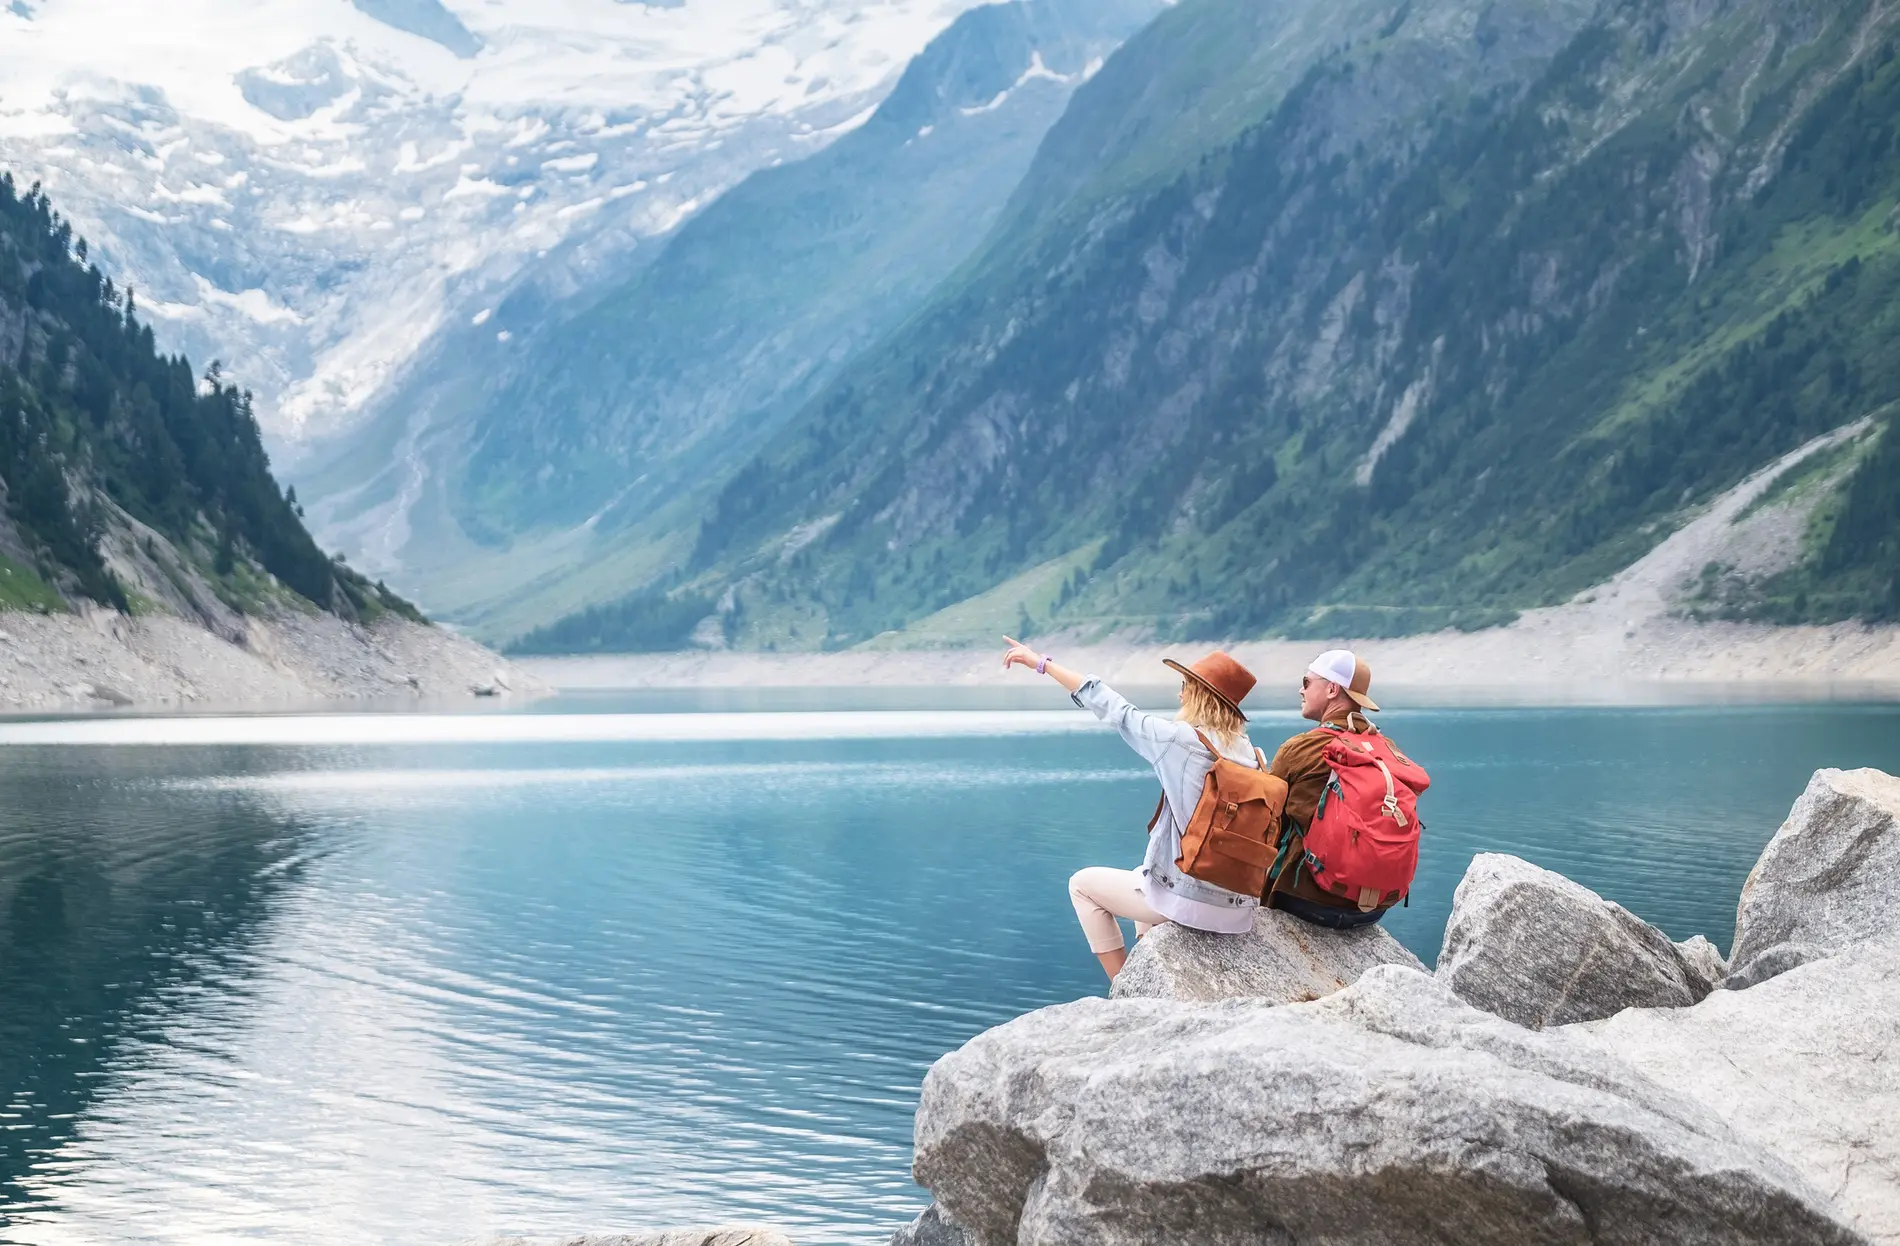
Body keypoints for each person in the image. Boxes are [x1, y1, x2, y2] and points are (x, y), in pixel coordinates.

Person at [1001, 636, 1263, 980]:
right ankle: (1152, 976)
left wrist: (1042, 663)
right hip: (1239, 908)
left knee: (1082, 885)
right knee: (1146, 875)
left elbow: (1115, 708)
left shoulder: (1178, 740)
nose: (1179, 694)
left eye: (1185, 686)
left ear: (1200, 696)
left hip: (1193, 904)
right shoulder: (1254, 756)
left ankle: (1123, 989)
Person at [1264, 648, 1391, 928]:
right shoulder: (1386, 751)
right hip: (1372, 908)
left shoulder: (1300, 748)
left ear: (1332, 689)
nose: (1301, 690)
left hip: (1308, 901)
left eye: (1307, 682)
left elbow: (1266, 821)